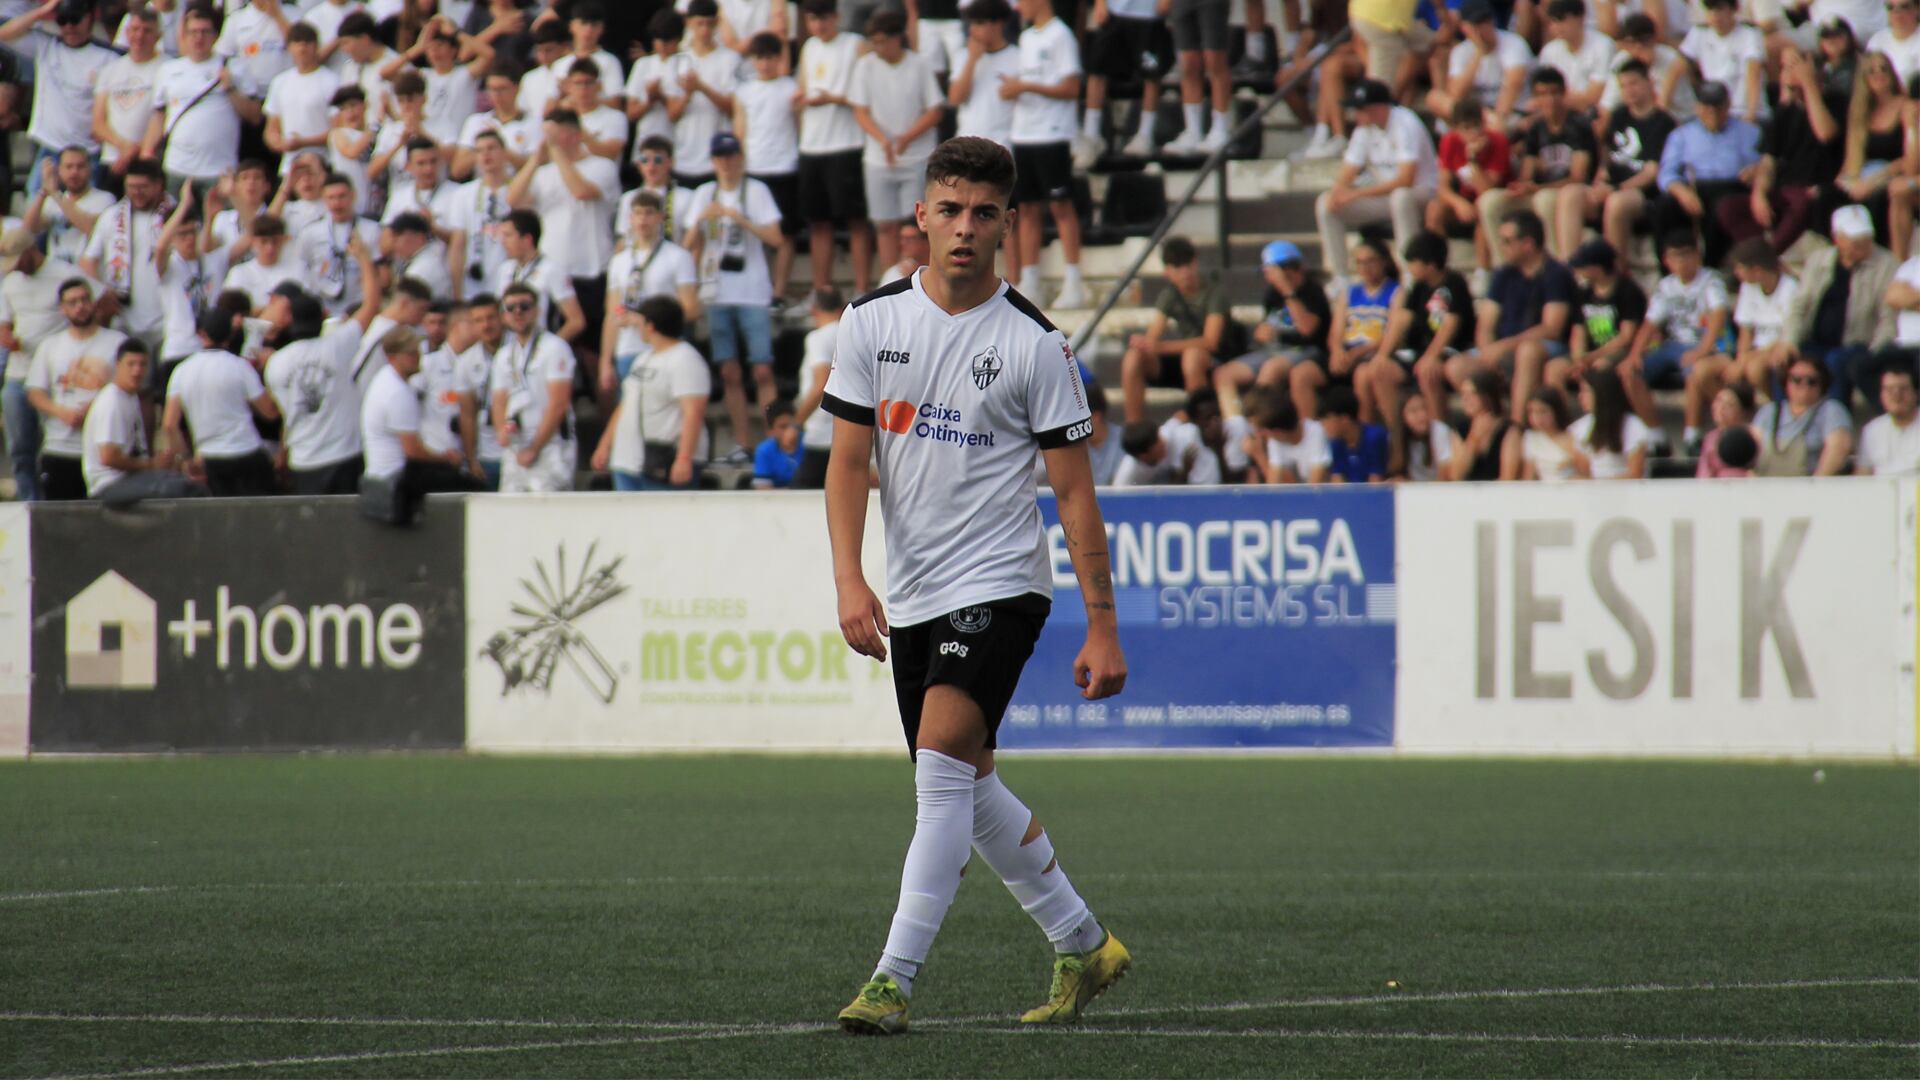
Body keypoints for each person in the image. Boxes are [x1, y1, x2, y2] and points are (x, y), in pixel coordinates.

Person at [821, 137, 1127, 1036]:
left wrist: (1101, 624)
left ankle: (892, 979)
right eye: (949, 209)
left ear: (1007, 224)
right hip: (913, 590)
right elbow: (847, 466)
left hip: (1001, 580)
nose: (964, 228)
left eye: (983, 213)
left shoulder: (1037, 344)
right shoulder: (871, 323)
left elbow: (1075, 493)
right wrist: (850, 577)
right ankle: (1084, 942)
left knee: (941, 773)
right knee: (966, 776)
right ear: (920, 215)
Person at [685, 132, 784, 461]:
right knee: (728, 371)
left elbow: (776, 238)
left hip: (753, 290)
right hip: (716, 291)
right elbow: (687, 246)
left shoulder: (756, 191)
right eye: (720, 157)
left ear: (740, 158)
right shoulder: (703, 193)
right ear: (713, 161)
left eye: (730, 156)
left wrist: (740, 219)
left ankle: (774, 441)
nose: (726, 162)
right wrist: (702, 220)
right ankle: (743, 442)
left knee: (763, 370)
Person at [263, 235, 383, 495]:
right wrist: (363, 257)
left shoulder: (275, 363)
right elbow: (372, 303)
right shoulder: (339, 345)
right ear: (323, 318)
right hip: (345, 456)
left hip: (304, 459)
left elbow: (284, 411)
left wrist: (284, 450)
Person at [507, 109, 620, 340]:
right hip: (554, 266)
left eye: (557, 135)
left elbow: (581, 191)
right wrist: (534, 161)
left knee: (591, 342)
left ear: (576, 135)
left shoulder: (602, 166)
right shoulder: (543, 173)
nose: (551, 141)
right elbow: (513, 200)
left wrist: (556, 152)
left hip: (592, 268)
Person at [1005, 0, 1089, 310]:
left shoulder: (1061, 35)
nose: (1018, 7)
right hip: (1023, 134)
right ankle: (1030, 281)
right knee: (1026, 208)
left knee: (1061, 206)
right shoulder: (1026, 38)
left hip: (1052, 133)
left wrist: (1026, 86)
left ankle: (1074, 281)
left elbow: (1070, 88)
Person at [1717, 48, 1840, 256]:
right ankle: (1758, 254)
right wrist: (1759, 193)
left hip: (1817, 187)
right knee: (1728, 208)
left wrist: (1809, 85)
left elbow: (1825, 134)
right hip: (1785, 186)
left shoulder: (1836, 102)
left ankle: (1766, 256)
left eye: (1794, 67)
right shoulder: (1784, 111)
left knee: (1801, 201)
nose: (1789, 73)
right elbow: (1768, 160)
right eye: (1785, 68)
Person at [850, 11, 945, 278]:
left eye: (882, 41)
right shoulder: (865, 66)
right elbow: (860, 110)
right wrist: (884, 141)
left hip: (916, 157)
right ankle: (889, 282)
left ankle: (916, 278)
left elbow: (935, 110)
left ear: (897, 38)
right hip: (878, 159)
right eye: (874, 41)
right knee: (884, 225)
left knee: (913, 226)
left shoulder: (919, 65)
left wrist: (905, 138)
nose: (878, 47)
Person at [1315, 79, 1438, 281]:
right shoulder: (1363, 130)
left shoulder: (1406, 123)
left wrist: (1356, 193)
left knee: (1401, 198)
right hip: (1384, 197)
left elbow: (1406, 179)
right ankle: (1340, 278)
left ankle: (1410, 275)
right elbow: (1347, 172)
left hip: (1421, 191)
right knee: (1325, 203)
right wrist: (1338, 193)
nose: (1356, 115)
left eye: (1361, 109)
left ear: (1379, 108)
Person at [1560, 58, 1673, 265]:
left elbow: (1650, 173)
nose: (1629, 90)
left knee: (1617, 202)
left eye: (1634, 83)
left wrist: (1615, 189)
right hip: (1613, 185)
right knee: (1571, 194)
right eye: (1623, 86)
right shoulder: (1619, 115)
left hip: (1641, 194)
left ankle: (1614, 271)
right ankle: (1571, 267)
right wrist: (1600, 182)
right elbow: (1607, 156)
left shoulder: (1663, 123)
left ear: (1649, 83)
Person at [1623, 232, 1729, 451]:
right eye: (1675, 257)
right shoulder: (1666, 286)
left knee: (1695, 369)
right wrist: (1634, 354)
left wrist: (1703, 349)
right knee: (1629, 372)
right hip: (1672, 346)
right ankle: (1656, 435)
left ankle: (1692, 435)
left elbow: (1718, 315)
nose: (1681, 262)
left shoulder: (1711, 280)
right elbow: (1650, 323)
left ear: (1697, 256)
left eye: (1686, 256)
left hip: (1705, 345)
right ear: (1666, 261)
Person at [27, 277, 129, 500]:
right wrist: (61, 412)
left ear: (93, 302)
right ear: (63, 309)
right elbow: (34, 391)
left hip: (102, 449)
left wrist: (94, 407)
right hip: (60, 446)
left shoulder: (116, 342)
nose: (80, 306)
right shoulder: (50, 346)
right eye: (72, 302)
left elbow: (128, 386)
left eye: (84, 300)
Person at [1786, 204, 1897, 409]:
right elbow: (1799, 305)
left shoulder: (1886, 265)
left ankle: (1837, 420)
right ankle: (1787, 420)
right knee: (1787, 360)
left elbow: (1888, 318)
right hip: (1815, 341)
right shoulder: (1819, 260)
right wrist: (1789, 341)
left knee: (1836, 362)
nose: (1863, 245)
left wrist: (1874, 352)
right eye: (1855, 241)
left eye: (1866, 238)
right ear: (1837, 238)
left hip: (1858, 344)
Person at [1469, 209, 1575, 423]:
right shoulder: (1503, 274)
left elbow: (1551, 328)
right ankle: (1489, 426)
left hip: (1546, 347)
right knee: (1456, 366)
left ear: (1528, 243)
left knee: (1527, 353)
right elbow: (1486, 323)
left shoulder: (1556, 274)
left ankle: (1517, 426)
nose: (1502, 246)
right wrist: (1488, 349)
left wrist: (1504, 346)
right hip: (1503, 347)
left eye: (1507, 241)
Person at [0, 0, 116, 194]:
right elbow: (3, 34)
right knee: (35, 207)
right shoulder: (46, 46)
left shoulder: (108, 58)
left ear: (89, 19)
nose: (69, 26)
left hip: (86, 153)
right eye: (63, 20)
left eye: (75, 19)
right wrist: (43, 12)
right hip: (50, 148)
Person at [362, 324, 482, 511]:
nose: (418, 358)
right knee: (475, 488)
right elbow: (412, 450)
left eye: (417, 351)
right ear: (392, 357)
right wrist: (448, 459)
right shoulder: (397, 392)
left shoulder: (385, 379)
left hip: (383, 472)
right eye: (410, 354)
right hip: (396, 476)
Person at [797, 0, 874, 294]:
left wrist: (834, 98)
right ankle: (822, 290)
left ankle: (862, 289)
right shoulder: (808, 48)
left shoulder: (855, 45)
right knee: (818, 222)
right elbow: (804, 89)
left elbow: (868, 90)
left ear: (837, 17)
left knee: (856, 221)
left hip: (847, 143)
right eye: (813, 19)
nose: (819, 25)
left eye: (824, 18)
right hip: (812, 145)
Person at [162, 307, 281, 496]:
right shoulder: (240, 367)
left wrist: (185, 460)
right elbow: (270, 412)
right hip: (247, 454)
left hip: (209, 460)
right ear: (231, 334)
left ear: (201, 334)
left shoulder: (181, 371)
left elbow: (169, 425)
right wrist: (271, 368)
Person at [1364, 230, 1475, 431]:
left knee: (1427, 372)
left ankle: (1440, 435)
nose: (1410, 269)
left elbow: (1450, 325)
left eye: (1413, 263)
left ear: (1430, 264)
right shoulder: (1419, 287)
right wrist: (1382, 355)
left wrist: (1432, 355)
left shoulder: (1455, 283)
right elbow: (1402, 320)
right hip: (1420, 350)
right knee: (1380, 371)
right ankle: (1396, 436)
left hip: (1449, 350)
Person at [1480, 68, 1593, 263]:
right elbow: (1527, 175)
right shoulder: (1536, 128)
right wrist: (1522, 187)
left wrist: (1537, 188)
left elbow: (1578, 177)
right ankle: (1504, 267)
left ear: (1563, 94)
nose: (1548, 100)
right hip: (1540, 191)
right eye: (1542, 94)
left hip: (1571, 194)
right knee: (1490, 201)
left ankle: (1554, 265)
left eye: (1553, 93)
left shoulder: (1578, 126)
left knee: (1545, 199)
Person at [1214, 240, 1329, 426]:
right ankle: (1237, 428)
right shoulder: (1271, 294)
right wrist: (1263, 332)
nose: (1268, 278)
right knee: (1224, 374)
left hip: (1306, 349)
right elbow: (1270, 325)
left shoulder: (1312, 291)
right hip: (1276, 348)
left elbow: (1307, 330)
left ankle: (1259, 426)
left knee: (1271, 370)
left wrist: (1288, 291)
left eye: (1270, 272)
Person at [1120, 235, 1233, 422]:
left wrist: (1160, 347)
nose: (1185, 272)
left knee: (1192, 356)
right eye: (1178, 267)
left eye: (1188, 265)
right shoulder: (1169, 295)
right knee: (1133, 357)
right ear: (1168, 272)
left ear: (1195, 263)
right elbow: (1153, 336)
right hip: (1185, 360)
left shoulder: (1214, 292)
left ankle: (1200, 424)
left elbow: (1211, 341)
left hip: (1216, 359)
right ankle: (1135, 430)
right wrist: (1144, 344)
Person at [601, 191, 700, 394]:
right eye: (637, 213)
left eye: (648, 213)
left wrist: (643, 320)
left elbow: (691, 310)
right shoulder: (619, 261)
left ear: (660, 217)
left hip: (663, 348)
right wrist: (605, 361)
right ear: (630, 218)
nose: (642, 220)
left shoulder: (678, 257)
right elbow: (612, 314)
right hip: (627, 349)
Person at [146, 5, 253, 192]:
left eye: (205, 32)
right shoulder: (168, 70)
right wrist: (147, 153)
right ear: (184, 35)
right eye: (193, 32)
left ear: (215, 35)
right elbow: (159, 116)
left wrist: (230, 89)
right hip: (177, 167)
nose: (199, 37)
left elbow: (254, 115)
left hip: (219, 170)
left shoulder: (234, 67)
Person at [489, 281, 576, 492]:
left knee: (548, 511)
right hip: (516, 444)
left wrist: (535, 447)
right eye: (511, 308)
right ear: (504, 315)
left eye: (524, 306)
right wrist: (502, 430)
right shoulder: (504, 355)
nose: (517, 312)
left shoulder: (554, 347)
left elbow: (558, 402)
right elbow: (499, 400)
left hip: (549, 443)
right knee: (511, 511)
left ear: (537, 310)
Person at [1302, 235, 1397, 420]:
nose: (1365, 268)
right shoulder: (1349, 292)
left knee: (1362, 376)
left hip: (1372, 353)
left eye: (1370, 261)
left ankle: (1363, 438)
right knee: (1302, 374)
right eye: (1359, 263)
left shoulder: (1396, 291)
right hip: (1348, 352)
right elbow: (1336, 331)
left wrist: (1358, 353)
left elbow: (1393, 333)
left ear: (1384, 262)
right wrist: (1337, 351)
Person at [736, 32, 802, 298]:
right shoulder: (743, 91)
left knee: (786, 234)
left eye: (770, 58)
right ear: (753, 60)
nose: (764, 64)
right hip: (754, 169)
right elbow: (740, 130)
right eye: (759, 58)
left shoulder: (791, 88)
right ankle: (759, 289)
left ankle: (779, 291)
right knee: (758, 234)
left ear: (780, 58)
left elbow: (800, 127)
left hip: (785, 167)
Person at [80, 159, 168, 348]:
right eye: (131, 186)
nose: (136, 192)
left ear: (158, 185)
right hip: (124, 317)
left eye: (143, 186)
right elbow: (88, 261)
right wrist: (102, 292)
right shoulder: (111, 216)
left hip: (166, 317)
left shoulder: (174, 215)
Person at [82, 339, 178, 498]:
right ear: (118, 365)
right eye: (131, 364)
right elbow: (108, 456)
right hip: (109, 484)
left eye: (142, 365)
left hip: (131, 480)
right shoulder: (112, 401)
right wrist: (152, 465)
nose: (137, 371)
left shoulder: (130, 397)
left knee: (179, 480)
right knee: (176, 489)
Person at [664, 0, 740, 189]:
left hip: (716, 158)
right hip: (683, 156)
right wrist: (688, 95)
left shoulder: (729, 59)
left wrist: (701, 87)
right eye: (699, 24)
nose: (704, 30)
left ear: (716, 24)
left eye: (709, 24)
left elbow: (732, 108)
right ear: (689, 23)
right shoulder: (677, 61)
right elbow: (672, 114)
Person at [1426, 0, 1533, 135]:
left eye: (1486, 22)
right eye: (1476, 24)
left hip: (1510, 113)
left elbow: (1513, 84)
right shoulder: (1461, 52)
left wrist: (1499, 118)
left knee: (1497, 125)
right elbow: (1456, 93)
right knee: (1434, 98)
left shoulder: (1514, 43)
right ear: (1464, 27)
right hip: (1478, 115)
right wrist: (1479, 54)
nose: (1482, 28)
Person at [1429, 98, 1510, 273]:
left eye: (1476, 126)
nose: (1473, 134)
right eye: (1466, 129)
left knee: (1484, 210)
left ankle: (1483, 271)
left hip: (1494, 199)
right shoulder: (1449, 141)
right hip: (1465, 198)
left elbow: (1487, 190)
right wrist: (1459, 203)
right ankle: (1437, 267)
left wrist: (1473, 159)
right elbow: (1442, 187)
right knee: (1435, 210)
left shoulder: (1498, 142)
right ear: (1456, 129)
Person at [1081, 0, 1169, 160]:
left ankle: (1145, 134)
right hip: (1114, 11)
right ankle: (1091, 135)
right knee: (1097, 68)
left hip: (1149, 13)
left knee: (1151, 74)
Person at [93, 8, 163, 192]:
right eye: (135, 29)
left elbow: (164, 119)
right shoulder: (110, 70)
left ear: (158, 35)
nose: (140, 36)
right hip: (112, 160)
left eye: (147, 30)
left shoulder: (167, 69)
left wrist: (133, 152)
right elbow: (98, 122)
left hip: (147, 161)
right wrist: (123, 147)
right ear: (126, 33)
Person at [488, 210, 586, 341]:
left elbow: (576, 321)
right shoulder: (504, 269)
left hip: (541, 346)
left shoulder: (552, 270)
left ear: (527, 239)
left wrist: (549, 350)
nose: (503, 242)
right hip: (511, 350)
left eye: (508, 236)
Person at [1751, 352, 1854, 474]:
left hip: (1811, 485)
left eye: (1812, 381)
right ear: (1786, 382)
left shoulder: (1832, 410)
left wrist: (1814, 487)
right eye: (1796, 380)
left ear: (1822, 384)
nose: (1804, 384)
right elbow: (1752, 451)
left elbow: (1839, 448)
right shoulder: (1768, 411)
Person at [1567, 239, 1648, 387]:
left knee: (1600, 367)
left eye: (1582, 266)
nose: (1577, 270)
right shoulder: (1583, 293)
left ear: (1597, 268)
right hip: (1590, 354)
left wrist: (1592, 357)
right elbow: (1578, 330)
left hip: (1621, 351)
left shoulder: (1629, 292)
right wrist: (1578, 358)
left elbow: (1626, 337)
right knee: (1555, 369)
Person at [264, 23, 341, 177]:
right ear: (289, 47)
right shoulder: (280, 82)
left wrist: (304, 142)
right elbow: (271, 128)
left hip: (323, 164)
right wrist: (279, 143)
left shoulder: (332, 81)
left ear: (316, 46)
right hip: (289, 167)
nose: (302, 47)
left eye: (308, 42)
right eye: (297, 42)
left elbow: (338, 129)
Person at [1674, 0, 1765, 126]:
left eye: (1720, 9)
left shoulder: (1750, 34)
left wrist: (1751, 114)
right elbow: (1676, 68)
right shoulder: (1699, 33)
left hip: (1742, 112)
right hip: (1712, 113)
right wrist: (1662, 107)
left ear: (1733, 9)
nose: (1715, 16)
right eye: (1711, 10)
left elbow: (1753, 72)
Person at [792, 286, 844, 490]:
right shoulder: (852, 333)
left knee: (798, 501)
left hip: (821, 432)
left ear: (813, 309)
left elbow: (820, 383)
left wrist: (796, 423)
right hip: (848, 430)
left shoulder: (818, 338)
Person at [26, 146, 113, 266]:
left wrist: (55, 194)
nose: (74, 172)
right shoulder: (53, 200)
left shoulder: (105, 199)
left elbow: (91, 229)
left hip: (86, 273)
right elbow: (29, 229)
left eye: (80, 166)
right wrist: (43, 191)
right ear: (60, 170)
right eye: (69, 167)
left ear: (90, 169)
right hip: (58, 273)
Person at [1568, 366, 1651, 478]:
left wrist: (1602, 485)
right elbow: (1583, 471)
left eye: (1586, 391)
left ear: (1602, 393)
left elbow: (1635, 474)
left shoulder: (1633, 426)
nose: (1580, 396)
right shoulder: (1579, 427)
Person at [1537, 0, 1615, 113]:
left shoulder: (1603, 45)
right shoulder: (1549, 51)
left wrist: (1558, 100)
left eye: (1561, 20)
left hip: (1593, 113)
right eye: (1552, 22)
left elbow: (1593, 96)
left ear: (1580, 18)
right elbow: (1543, 94)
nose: (1556, 27)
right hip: (1559, 113)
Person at [1450, 368, 1517, 480]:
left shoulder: (1508, 430)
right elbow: (1456, 475)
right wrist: (1474, 439)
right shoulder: (1462, 428)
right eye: (1463, 394)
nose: (1466, 399)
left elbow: (1508, 477)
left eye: (1472, 394)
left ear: (1487, 396)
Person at [1254, 395, 1332, 483]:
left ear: (1278, 432)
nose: (1260, 435)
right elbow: (1274, 483)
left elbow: (1315, 484)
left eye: (1264, 431)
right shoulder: (1275, 441)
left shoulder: (1317, 432)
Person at [1318, 385, 1389, 482]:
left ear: (1344, 419)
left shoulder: (1374, 437)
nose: (1324, 425)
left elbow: (1376, 481)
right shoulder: (1336, 444)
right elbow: (1338, 481)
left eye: (1328, 418)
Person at [1857, 364, 1920, 473]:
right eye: (1889, 390)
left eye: (1903, 389)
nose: (1896, 395)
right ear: (1881, 395)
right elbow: (1863, 475)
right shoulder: (1872, 430)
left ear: (1916, 393)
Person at [1519, 386, 1585, 480]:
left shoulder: (1573, 436)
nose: (1537, 418)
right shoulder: (1531, 439)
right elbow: (1529, 476)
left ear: (1556, 411)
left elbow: (1585, 473)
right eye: (1532, 412)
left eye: (1543, 411)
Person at [1696, 380, 1756, 476]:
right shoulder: (1710, 438)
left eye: (1729, 404)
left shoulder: (1754, 435)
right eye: (1719, 401)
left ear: (1743, 411)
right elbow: (1703, 475)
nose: (1721, 408)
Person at [1397, 392, 1456, 480]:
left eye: (1424, 408)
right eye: (1414, 411)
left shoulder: (1439, 430)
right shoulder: (1400, 437)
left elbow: (1444, 472)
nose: (1422, 415)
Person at [751, 400, 805, 487]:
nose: (789, 431)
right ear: (771, 431)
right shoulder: (764, 451)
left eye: (793, 426)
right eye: (783, 427)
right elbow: (763, 489)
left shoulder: (808, 444)